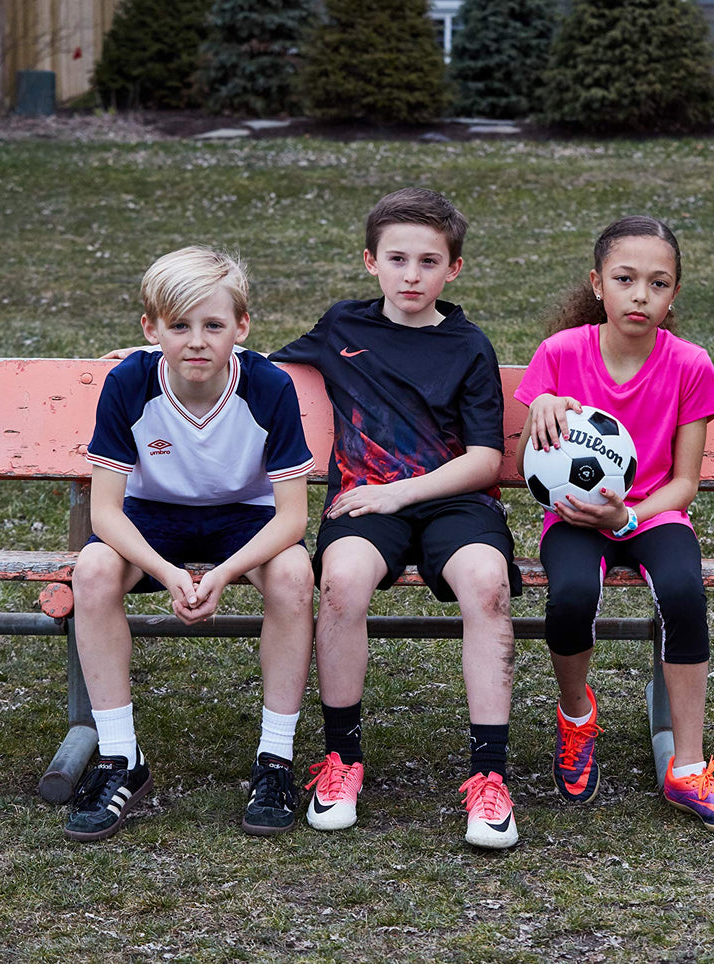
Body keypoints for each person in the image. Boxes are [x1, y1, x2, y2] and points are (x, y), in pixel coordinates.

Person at [270, 188, 523, 849]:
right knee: (341, 582)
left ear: (453, 269)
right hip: (365, 501)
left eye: (428, 262)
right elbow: (255, 370)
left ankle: (490, 777)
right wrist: (149, 363)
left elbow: (485, 460)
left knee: (487, 584)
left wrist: (401, 493)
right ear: (370, 261)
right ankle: (341, 761)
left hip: (453, 501)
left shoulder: (468, 346)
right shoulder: (342, 328)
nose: (412, 275)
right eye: (397, 259)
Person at [514, 216, 714, 835]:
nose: (640, 295)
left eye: (658, 283)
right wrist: (543, 406)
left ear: (673, 294)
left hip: (652, 513)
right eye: (625, 280)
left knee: (683, 592)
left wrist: (627, 515)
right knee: (571, 594)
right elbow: (524, 457)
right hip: (574, 516)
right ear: (598, 284)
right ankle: (576, 719)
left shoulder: (689, 364)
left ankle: (688, 767)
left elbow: (684, 483)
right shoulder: (560, 354)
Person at [66, 245, 317, 842]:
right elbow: (106, 511)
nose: (197, 341)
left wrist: (222, 573)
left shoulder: (268, 386)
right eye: (179, 326)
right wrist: (168, 572)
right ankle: (120, 757)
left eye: (213, 325)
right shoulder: (130, 382)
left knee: (294, 574)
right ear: (151, 329)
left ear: (242, 327)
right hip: (152, 516)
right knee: (94, 570)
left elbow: (292, 519)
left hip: (246, 517)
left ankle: (275, 759)